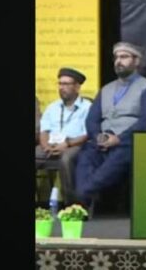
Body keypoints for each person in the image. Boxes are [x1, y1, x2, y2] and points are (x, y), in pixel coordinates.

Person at [75, 41, 146, 205]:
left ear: (136, 61)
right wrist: (98, 136)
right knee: (86, 155)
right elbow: (92, 119)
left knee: (117, 158)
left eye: (124, 57)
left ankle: (82, 196)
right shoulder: (106, 89)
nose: (118, 61)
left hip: (129, 142)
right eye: (116, 57)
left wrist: (119, 139)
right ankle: (83, 198)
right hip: (101, 141)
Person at [35, 68, 92, 203]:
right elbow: (44, 130)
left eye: (66, 84)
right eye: (60, 84)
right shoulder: (52, 107)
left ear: (77, 87)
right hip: (51, 145)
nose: (62, 87)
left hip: (76, 145)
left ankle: (71, 203)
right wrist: (45, 145)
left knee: (66, 159)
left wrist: (67, 143)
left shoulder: (88, 107)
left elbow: (88, 133)